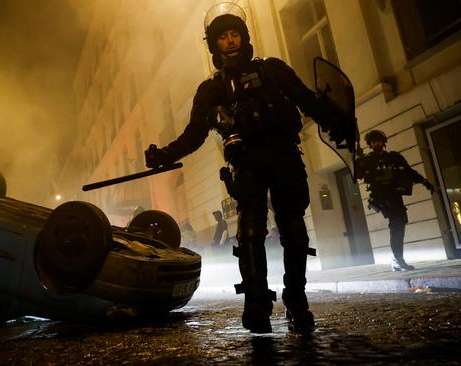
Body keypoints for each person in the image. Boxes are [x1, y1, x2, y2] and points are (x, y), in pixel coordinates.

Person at [144, 3, 346, 333]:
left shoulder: (272, 70)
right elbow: (194, 135)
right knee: (250, 233)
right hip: (247, 162)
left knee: (293, 231)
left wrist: (334, 119)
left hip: (283, 155)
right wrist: (164, 155)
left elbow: (305, 98)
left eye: (234, 33)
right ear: (214, 44)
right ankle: (256, 305)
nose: (230, 41)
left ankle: (297, 302)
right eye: (222, 36)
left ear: (244, 36)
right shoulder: (210, 89)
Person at [356, 129, 435, 271]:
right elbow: (357, 175)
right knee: (397, 224)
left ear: (383, 142)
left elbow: (408, 171)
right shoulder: (367, 160)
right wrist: (358, 160)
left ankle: (396, 258)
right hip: (381, 198)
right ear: (370, 144)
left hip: (395, 195)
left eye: (379, 141)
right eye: (374, 141)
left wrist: (424, 181)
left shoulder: (394, 157)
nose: (377, 144)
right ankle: (397, 259)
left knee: (400, 224)